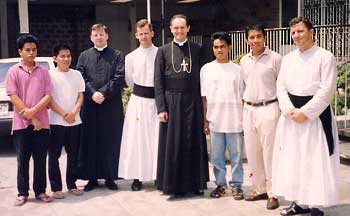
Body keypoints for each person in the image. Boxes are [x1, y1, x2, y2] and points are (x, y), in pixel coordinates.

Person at [272, 17, 339, 216]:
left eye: (300, 31)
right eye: (293, 32)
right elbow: (280, 86)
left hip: (315, 117)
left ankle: (316, 204)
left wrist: (306, 112)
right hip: (291, 116)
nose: (296, 36)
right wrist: (288, 109)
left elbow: (327, 89)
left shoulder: (325, 57)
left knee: (314, 160)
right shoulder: (288, 59)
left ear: (312, 32)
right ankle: (298, 203)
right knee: (294, 159)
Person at [154, 14, 209, 197]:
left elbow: (203, 80)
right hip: (172, 101)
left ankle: (195, 184)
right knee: (174, 143)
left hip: (192, 100)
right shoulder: (162, 51)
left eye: (182, 27)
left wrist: (203, 106)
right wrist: (161, 108)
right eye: (175, 28)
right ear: (171, 30)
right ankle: (172, 186)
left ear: (188, 28)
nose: (179, 31)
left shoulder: (197, 49)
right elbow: (158, 82)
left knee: (192, 141)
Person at [6, 34, 53, 206]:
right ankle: (22, 193)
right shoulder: (13, 72)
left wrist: (33, 111)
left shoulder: (44, 72)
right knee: (22, 160)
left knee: (41, 159)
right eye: (27, 50)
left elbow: (48, 95)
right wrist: (32, 118)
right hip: (21, 124)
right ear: (20, 51)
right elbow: (13, 96)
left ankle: (40, 191)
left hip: (42, 124)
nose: (31, 53)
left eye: (34, 50)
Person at [76, 23, 125, 191]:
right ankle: (92, 178)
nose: (99, 37)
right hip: (90, 105)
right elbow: (80, 77)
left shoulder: (117, 55)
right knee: (91, 141)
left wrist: (103, 93)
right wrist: (92, 93)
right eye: (95, 35)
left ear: (107, 36)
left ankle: (110, 177)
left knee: (110, 141)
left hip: (110, 105)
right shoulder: (84, 56)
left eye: (101, 34)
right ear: (91, 37)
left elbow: (119, 77)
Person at [240, 24, 282, 210]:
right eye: (252, 37)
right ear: (247, 40)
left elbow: (282, 86)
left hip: (269, 108)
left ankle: (273, 193)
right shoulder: (244, 60)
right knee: (253, 152)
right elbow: (244, 85)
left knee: (269, 153)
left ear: (264, 38)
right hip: (249, 109)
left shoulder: (275, 59)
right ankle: (259, 189)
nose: (255, 40)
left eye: (258, 36)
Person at [200, 32, 244, 200]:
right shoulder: (206, 69)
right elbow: (204, 98)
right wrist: (205, 120)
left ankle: (237, 186)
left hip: (234, 120)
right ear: (213, 48)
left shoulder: (238, 70)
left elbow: (243, 96)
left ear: (229, 47)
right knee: (217, 156)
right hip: (215, 120)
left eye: (222, 47)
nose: (219, 50)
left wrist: (243, 119)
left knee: (236, 156)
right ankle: (220, 185)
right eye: (216, 47)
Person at [118, 19, 159, 191]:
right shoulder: (130, 57)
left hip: (157, 101)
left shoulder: (161, 53)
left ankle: (158, 176)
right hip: (139, 101)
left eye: (146, 33)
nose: (143, 37)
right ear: (136, 35)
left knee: (157, 139)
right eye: (140, 34)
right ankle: (137, 177)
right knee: (137, 140)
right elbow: (129, 80)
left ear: (152, 33)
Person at [48, 44, 85, 199]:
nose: (66, 59)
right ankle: (56, 187)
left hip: (74, 121)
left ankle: (72, 184)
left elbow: (80, 96)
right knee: (54, 155)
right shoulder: (49, 75)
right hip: (56, 121)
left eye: (68, 56)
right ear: (55, 58)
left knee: (73, 154)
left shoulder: (76, 74)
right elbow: (48, 99)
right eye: (62, 56)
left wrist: (74, 112)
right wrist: (64, 114)